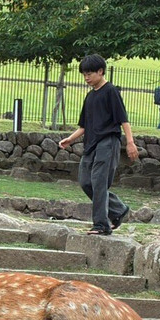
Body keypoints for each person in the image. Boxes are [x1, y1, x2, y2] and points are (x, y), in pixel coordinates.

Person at [58, 54, 139, 236]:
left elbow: (123, 120)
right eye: (84, 74)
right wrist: (70, 139)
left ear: (100, 71)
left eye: (90, 74)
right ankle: (118, 210)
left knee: (99, 182)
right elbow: (84, 126)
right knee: (86, 181)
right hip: (91, 144)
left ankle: (101, 225)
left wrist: (130, 142)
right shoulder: (90, 97)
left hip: (108, 142)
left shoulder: (111, 91)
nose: (86, 78)